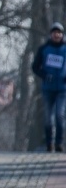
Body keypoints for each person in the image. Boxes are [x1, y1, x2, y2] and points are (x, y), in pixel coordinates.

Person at [31, 22, 66, 152]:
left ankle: (59, 143)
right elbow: (35, 67)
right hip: (48, 89)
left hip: (62, 89)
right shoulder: (44, 49)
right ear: (51, 34)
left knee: (59, 116)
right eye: (55, 32)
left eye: (59, 33)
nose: (57, 35)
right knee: (48, 118)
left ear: (62, 35)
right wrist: (44, 75)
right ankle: (49, 143)